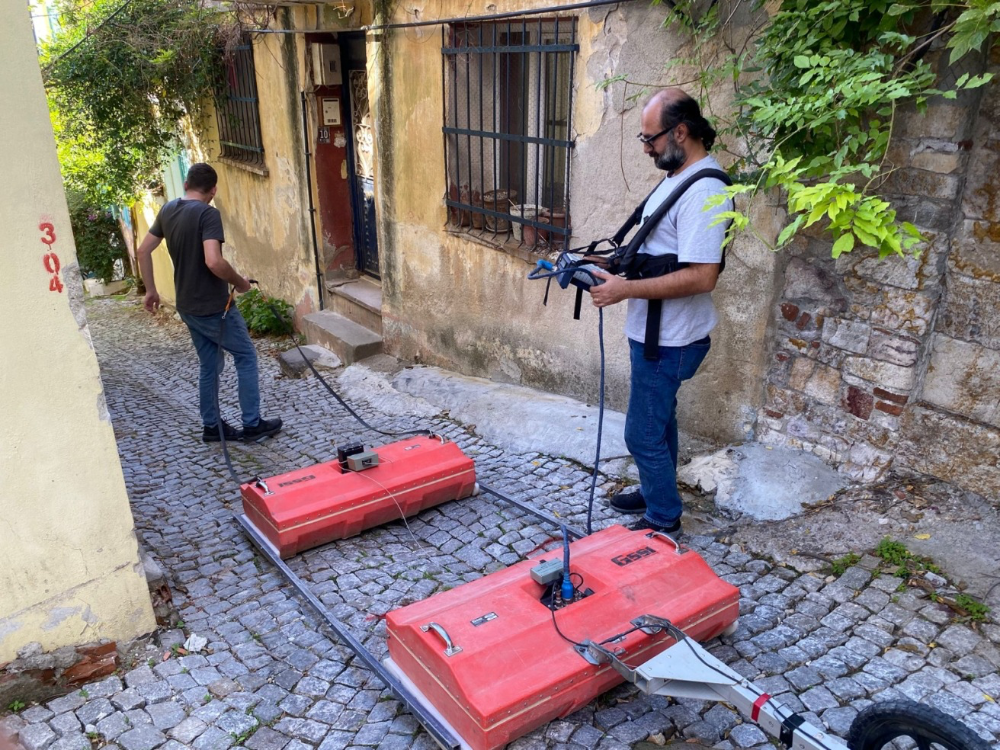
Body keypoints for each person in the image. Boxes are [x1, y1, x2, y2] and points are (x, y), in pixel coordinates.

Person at [589, 89, 732, 536]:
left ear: (681, 132)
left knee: (642, 433)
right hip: (654, 334)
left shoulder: (704, 190)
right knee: (660, 421)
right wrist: (604, 265)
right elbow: (658, 253)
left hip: (670, 339)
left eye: (650, 138)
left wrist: (624, 289)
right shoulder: (678, 177)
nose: (646, 147)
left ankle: (663, 519)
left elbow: (702, 276)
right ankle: (656, 493)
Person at [136, 163, 282, 443]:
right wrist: (239, 282)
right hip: (213, 307)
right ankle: (252, 425)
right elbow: (213, 261)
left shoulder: (167, 210)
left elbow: (143, 250)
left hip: (187, 305)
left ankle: (212, 427)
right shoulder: (207, 213)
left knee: (209, 364)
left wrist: (151, 290)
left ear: (186, 184)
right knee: (246, 357)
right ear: (213, 191)